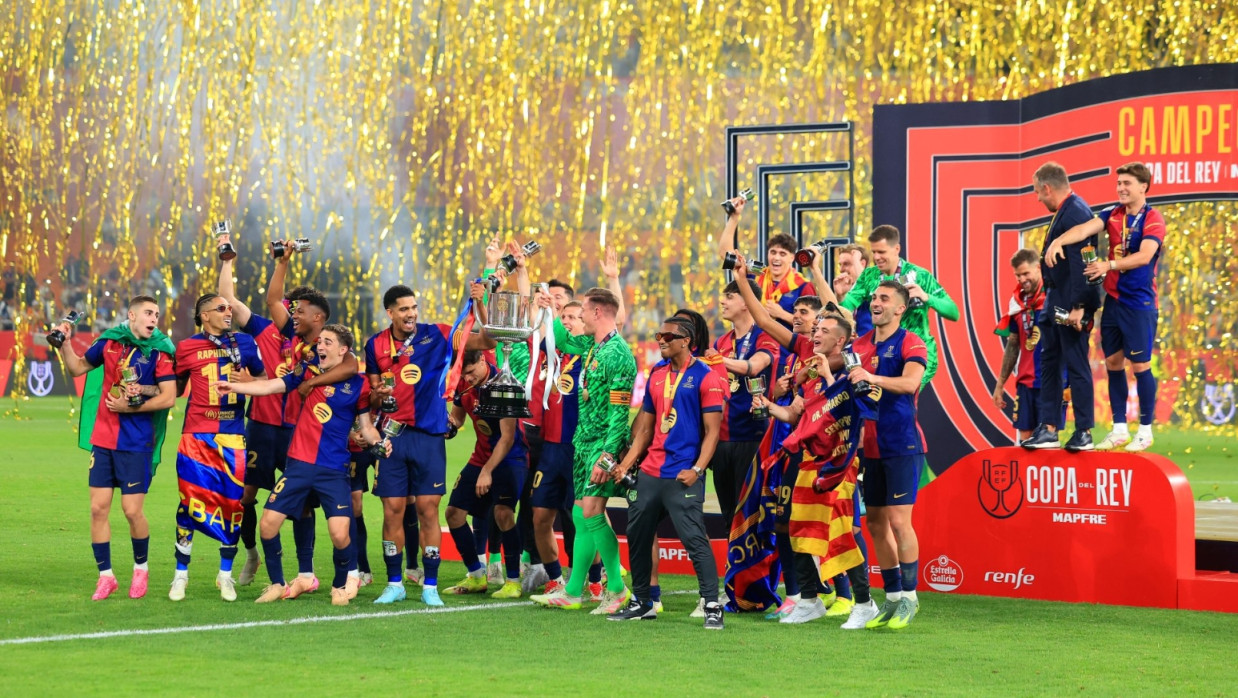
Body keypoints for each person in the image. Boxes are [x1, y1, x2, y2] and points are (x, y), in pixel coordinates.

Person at [220, 324, 384, 606]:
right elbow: (272, 385)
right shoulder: (305, 372)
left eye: (328, 342)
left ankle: (339, 585)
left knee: (339, 533)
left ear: (343, 350)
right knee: (268, 525)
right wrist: (236, 386)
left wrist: (381, 443)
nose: (320, 346)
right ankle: (276, 583)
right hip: (298, 466)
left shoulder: (358, 384)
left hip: (333, 470)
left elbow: (367, 427)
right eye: (320, 341)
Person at [53, 295, 177, 600]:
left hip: (136, 442)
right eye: (148, 313)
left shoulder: (160, 351)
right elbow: (77, 368)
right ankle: (106, 576)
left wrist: (129, 408)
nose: (154, 319)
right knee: (97, 509)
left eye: (157, 315)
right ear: (131, 316)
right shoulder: (109, 343)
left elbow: (169, 397)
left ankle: (141, 569)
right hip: (104, 439)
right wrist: (65, 344)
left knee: (132, 511)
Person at [607, 317, 726, 630]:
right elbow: (645, 428)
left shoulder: (705, 376)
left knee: (693, 537)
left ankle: (712, 604)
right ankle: (643, 602)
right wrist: (628, 462)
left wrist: (698, 470)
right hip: (650, 472)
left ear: (685, 340)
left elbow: (713, 433)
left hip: (682, 473)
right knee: (637, 535)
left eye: (667, 336)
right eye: (658, 335)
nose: (660, 340)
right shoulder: (657, 375)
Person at [1045, 162, 1166, 452]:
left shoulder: (1153, 219)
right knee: (1113, 364)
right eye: (1119, 183)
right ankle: (1119, 428)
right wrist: (1058, 241)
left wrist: (1108, 265)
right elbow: (1086, 228)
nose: (1121, 188)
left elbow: (1144, 256)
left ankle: (1146, 430)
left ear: (1143, 187)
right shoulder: (1113, 215)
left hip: (1139, 303)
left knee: (1140, 365)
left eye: (1127, 183)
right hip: (1114, 301)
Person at [532, 287, 636, 614]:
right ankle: (573, 590)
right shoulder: (593, 345)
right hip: (581, 442)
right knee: (580, 512)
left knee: (591, 512)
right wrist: (549, 310)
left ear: (597, 313)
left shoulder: (618, 354)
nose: (579, 319)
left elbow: (620, 415)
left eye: (584, 313)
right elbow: (562, 341)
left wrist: (606, 458)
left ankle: (617, 589)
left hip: (600, 446)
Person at [365, 284, 456, 606]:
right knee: (392, 511)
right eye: (403, 309)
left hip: (429, 436)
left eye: (414, 307)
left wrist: (480, 300)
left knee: (428, 509)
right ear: (390, 312)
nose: (411, 314)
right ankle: (394, 583)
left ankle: (430, 585)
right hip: (392, 436)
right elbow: (373, 392)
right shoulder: (375, 344)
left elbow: (483, 339)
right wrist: (380, 395)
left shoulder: (438, 334)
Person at [171, 294, 266, 601]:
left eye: (229, 308)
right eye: (221, 309)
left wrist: (249, 379)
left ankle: (225, 575)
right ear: (204, 316)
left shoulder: (245, 344)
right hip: (196, 436)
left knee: (233, 506)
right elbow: (173, 390)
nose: (229, 313)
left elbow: (264, 381)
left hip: (233, 436)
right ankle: (180, 575)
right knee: (189, 504)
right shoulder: (185, 348)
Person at [846, 281, 928, 630]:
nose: (875, 303)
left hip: (902, 443)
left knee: (898, 521)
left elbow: (910, 383)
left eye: (884, 299)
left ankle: (911, 597)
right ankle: (892, 597)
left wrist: (870, 376)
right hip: (870, 448)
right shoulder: (859, 345)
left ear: (900, 308)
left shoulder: (911, 342)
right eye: (874, 298)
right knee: (876, 523)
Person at [1021, 162, 1100, 452]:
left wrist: (1082, 306)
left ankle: (1084, 431)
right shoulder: (1065, 212)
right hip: (1055, 302)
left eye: (1037, 193)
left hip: (1070, 303)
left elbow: (1088, 261)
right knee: (1049, 362)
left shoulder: (1077, 211)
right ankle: (1049, 427)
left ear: (1047, 188)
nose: (1038, 199)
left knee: (1076, 363)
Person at [443, 350, 530, 599]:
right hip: (481, 456)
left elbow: (507, 437)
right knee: (454, 514)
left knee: (503, 514)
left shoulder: (504, 384)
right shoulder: (463, 384)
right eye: (463, 374)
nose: (467, 378)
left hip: (511, 458)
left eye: (470, 372)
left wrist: (487, 471)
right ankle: (476, 575)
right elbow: (457, 419)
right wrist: (447, 427)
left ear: (483, 360)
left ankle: (513, 581)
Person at [834, 225, 958, 384]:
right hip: (882, 353)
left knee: (900, 397)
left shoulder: (920, 275)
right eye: (874, 252)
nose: (876, 257)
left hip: (915, 352)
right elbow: (847, 308)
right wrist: (841, 295)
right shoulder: (869, 275)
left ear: (896, 249)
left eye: (881, 252)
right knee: (877, 401)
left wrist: (926, 297)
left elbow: (954, 312)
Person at [705, 278, 779, 526]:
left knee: (749, 513)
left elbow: (754, 366)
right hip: (723, 439)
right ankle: (731, 564)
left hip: (752, 436)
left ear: (747, 302)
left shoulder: (765, 335)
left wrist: (714, 360)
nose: (722, 301)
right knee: (728, 515)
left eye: (729, 296)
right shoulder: (722, 342)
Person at [526, 300, 586, 596]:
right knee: (540, 515)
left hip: (578, 450)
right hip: (550, 448)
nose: (569, 322)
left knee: (584, 518)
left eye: (575, 317)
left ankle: (597, 580)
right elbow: (537, 324)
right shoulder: (553, 354)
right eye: (565, 317)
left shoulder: (591, 354)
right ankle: (554, 578)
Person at [716, 195, 816, 324]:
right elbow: (725, 254)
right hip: (756, 342)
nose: (776, 257)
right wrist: (734, 217)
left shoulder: (803, 285)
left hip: (787, 343)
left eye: (782, 254)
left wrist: (782, 314)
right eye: (773, 252)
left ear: (792, 257)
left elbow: (812, 324)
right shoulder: (757, 271)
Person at [993, 249, 1048, 442]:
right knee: (1025, 441)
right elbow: (1013, 345)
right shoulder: (1017, 301)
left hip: (1050, 382)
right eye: (1018, 275)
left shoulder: (1053, 297)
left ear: (1038, 268)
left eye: (1026, 273)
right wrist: (1000, 385)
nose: (1022, 279)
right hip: (1025, 383)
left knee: (1047, 440)